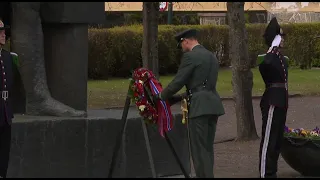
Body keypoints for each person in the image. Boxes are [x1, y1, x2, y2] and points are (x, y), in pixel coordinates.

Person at [156, 29, 225, 178]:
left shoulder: (190, 57)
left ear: (186, 41)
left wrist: (160, 96)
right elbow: (201, 85)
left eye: (181, 44)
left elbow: (178, 81)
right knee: (207, 149)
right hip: (213, 105)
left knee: (199, 151)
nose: (181, 48)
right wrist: (178, 98)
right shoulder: (211, 56)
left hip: (199, 107)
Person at [258, 17, 288, 178]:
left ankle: (272, 171)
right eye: (280, 37)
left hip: (281, 101)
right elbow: (265, 65)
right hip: (272, 101)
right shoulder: (270, 58)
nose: (283, 40)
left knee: (277, 140)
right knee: (269, 139)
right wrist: (272, 48)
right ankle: (265, 173)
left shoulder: (281, 58)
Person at [0, 19, 13, 178]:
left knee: (4, 153)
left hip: (5, 113)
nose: (4, 34)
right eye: (0, 31)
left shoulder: (8, 57)